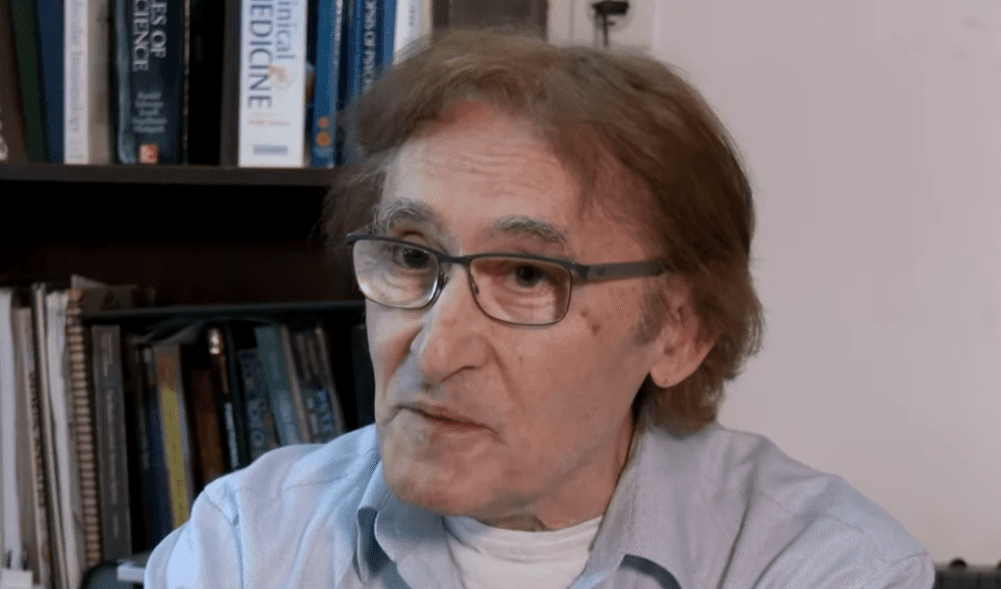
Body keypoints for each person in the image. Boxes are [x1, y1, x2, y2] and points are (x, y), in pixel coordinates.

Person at [146, 29, 933, 588]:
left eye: (526, 274)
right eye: (413, 256)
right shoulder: (247, 544)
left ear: (678, 331)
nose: (434, 349)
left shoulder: (823, 563)